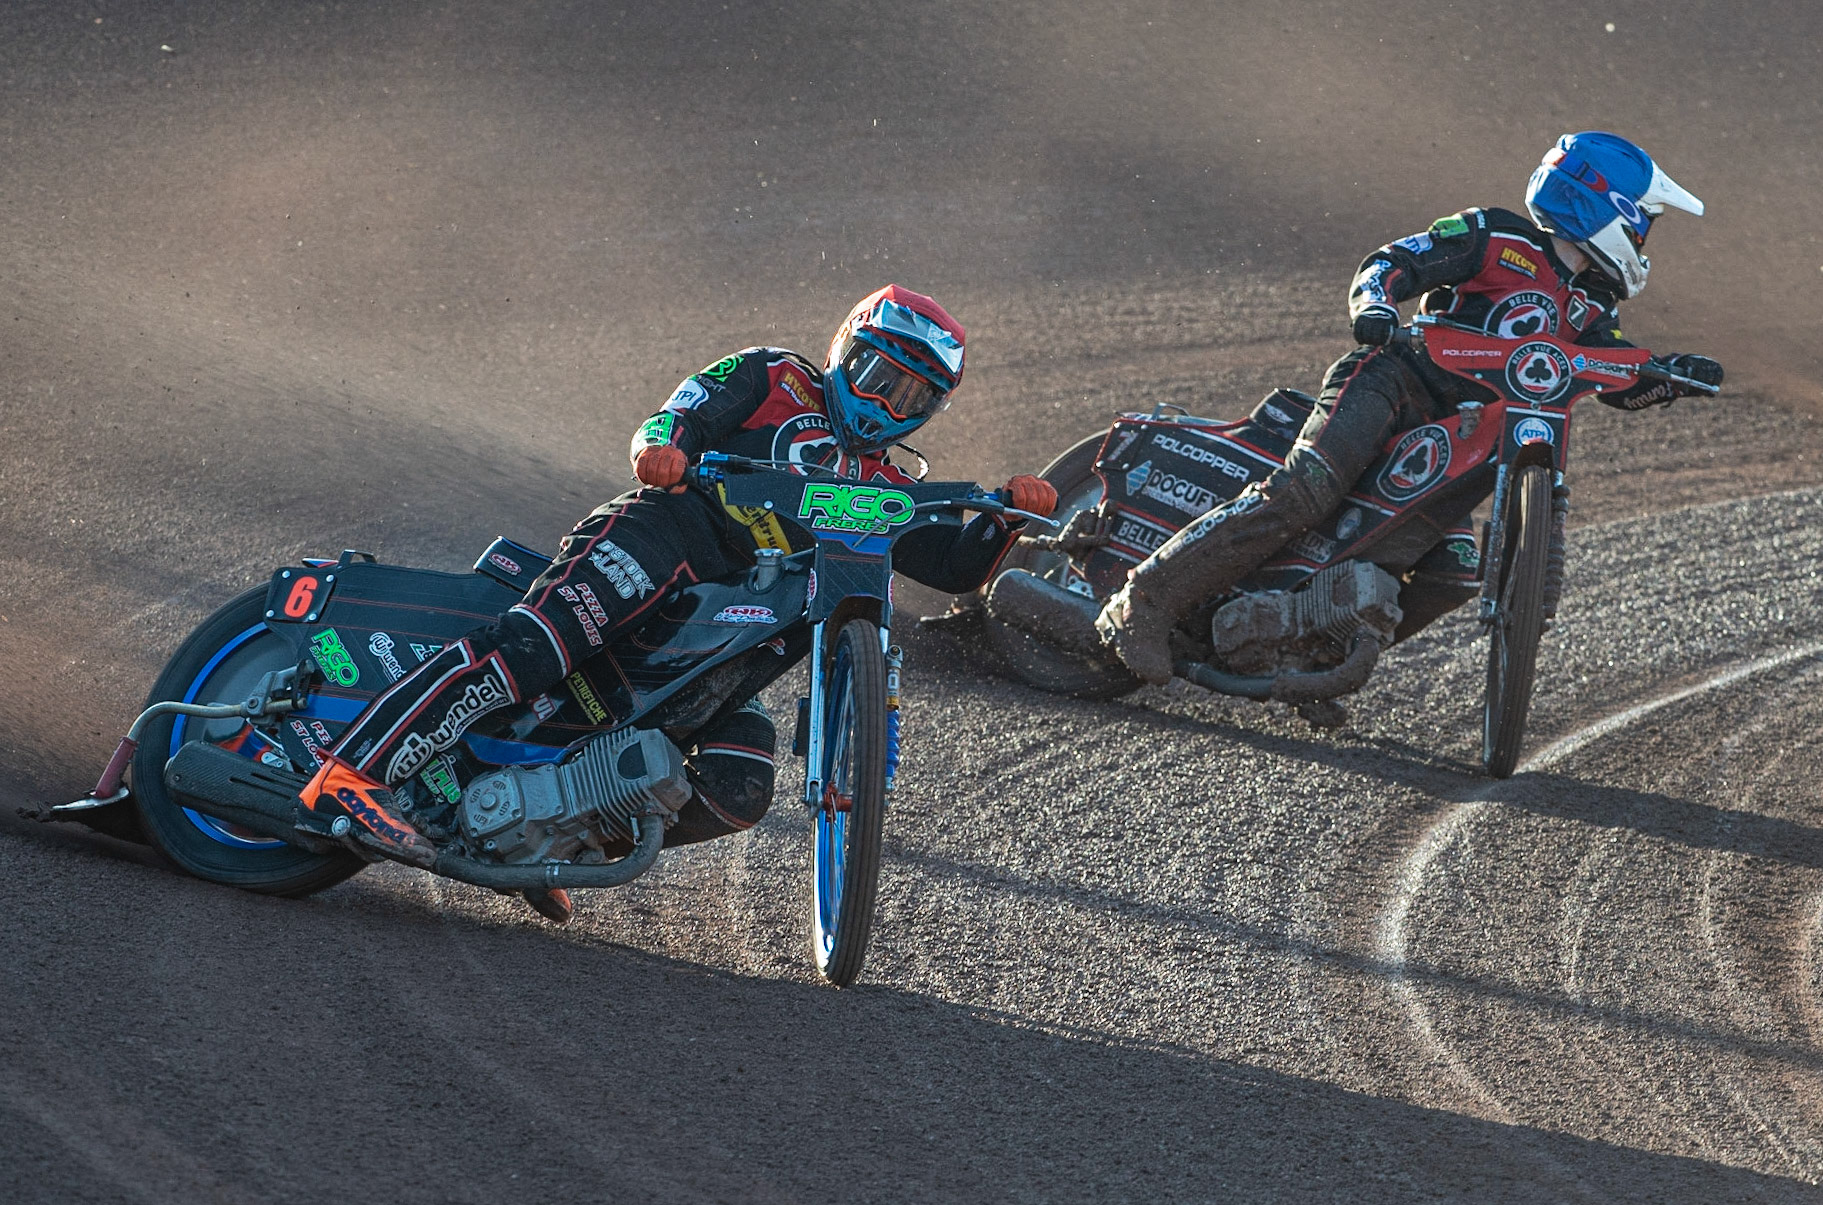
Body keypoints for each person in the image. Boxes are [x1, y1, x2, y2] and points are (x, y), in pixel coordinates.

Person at [292, 285, 1058, 918]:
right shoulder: (771, 376)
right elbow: (678, 416)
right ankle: (350, 770)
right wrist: (660, 450)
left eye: (912, 394)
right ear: (841, 352)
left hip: (731, 639)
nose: (887, 400)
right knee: (539, 644)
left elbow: (955, 568)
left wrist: (1007, 517)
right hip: (666, 537)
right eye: (876, 375)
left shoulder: (887, 490)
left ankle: (552, 838)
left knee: (741, 784)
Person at [1096, 131, 1726, 685]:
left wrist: (1670, 376)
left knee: (1453, 571)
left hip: (1464, 442)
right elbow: (1394, 262)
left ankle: (1310, 652)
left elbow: (1618, 377)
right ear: (1606, 207)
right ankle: (1142, 604)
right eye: (1644, 220)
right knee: (1304, 491)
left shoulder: (1593, 310)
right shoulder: (1496, 236)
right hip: (1394, 380)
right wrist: (1374, 306)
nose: (1645, 237)